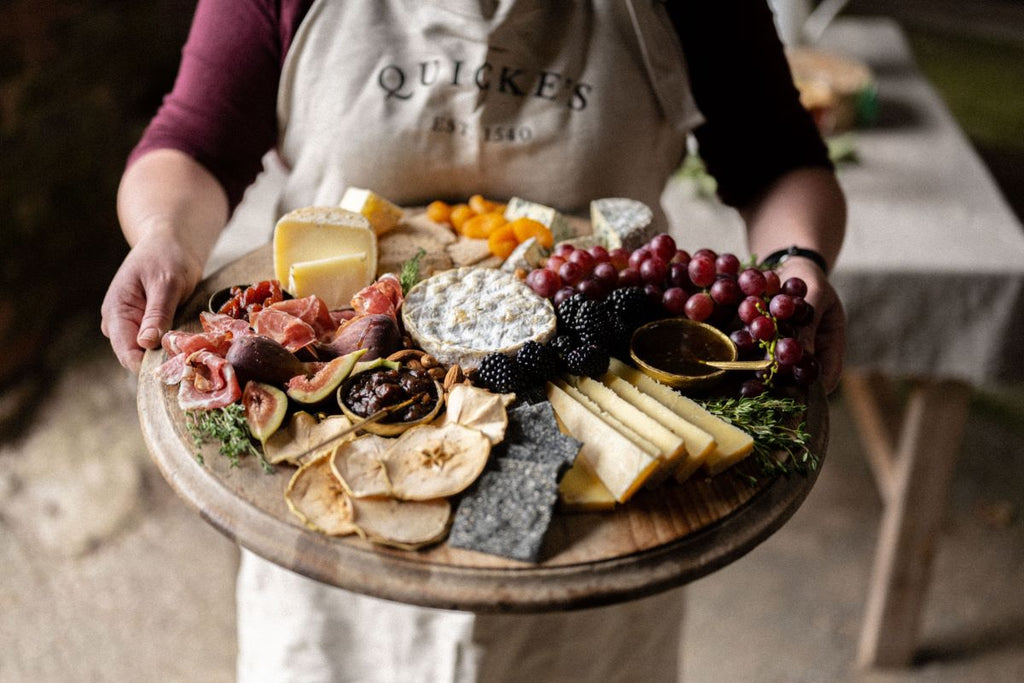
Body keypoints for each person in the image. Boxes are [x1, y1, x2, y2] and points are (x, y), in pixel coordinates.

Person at [102, 1, 846, 681]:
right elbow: (193, 142)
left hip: (585, 532)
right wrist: (165, 235)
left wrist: (800, 259)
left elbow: (779, 159)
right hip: (339, 504)